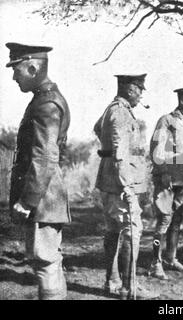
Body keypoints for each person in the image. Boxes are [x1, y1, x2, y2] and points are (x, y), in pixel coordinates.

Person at [6, 42, 70, 299]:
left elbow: (45, 156)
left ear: (32, 67)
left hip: (43, 197)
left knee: (45, 263)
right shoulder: (43, 100)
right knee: (50, 261)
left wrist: (27, 200)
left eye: (16, 69)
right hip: (47, 195)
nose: (13, 77)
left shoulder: (46, 104)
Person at [94, 74, 159, 300]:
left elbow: (98, 129)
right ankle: (129, 288)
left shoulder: (111, 109)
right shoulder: (121, 112)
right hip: (121, 183)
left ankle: (112, 282)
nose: (141, 95)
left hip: (109, 180)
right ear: (130, 89)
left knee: (113, 230)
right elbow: (120, 153)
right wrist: (127, 187)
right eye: (140, 90)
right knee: (132, 232)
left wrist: (106, 152)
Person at [148, 86, 183, 280]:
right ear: (181, 99)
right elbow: (156, 147)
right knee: (163, 221)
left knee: (177, 220)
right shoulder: (167, 120)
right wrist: (162, 172)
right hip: (168, 178)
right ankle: (155, 263)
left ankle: (171, 257)